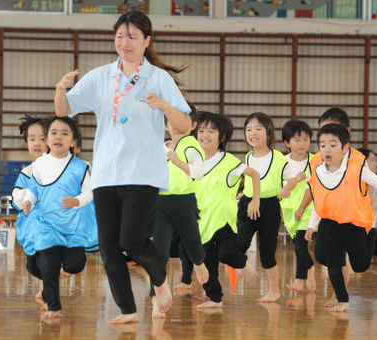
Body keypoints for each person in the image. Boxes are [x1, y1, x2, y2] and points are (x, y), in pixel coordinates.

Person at [54, 11, 191, 324]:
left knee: (132, 241)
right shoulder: (101, 76)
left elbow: (184, 124)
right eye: (120, 35)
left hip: (142, 173)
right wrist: (60, 89)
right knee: (109, 247)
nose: (124, 42)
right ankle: (128, 310)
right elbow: (65, 110)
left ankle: (160, 283)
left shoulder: (158, 78)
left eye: (132, 36)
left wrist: (165, 106)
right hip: (106, 173)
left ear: (146, 41)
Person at [304, 124, 377, 312]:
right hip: (330, 223)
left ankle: (372, 233)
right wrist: (311, 226)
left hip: (354, 225)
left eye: (333, 145)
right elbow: (320, 202)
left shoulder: (357, 169)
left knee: (360, 266)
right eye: (323, 145)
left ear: (345, 148)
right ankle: (343, 300)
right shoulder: (318, 171)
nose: (327, 149)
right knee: (333, 264)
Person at [19, 116, 99, 321]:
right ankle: (53, 305)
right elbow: (33, 190)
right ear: (47, 140)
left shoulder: (82, 167)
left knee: (74, 265)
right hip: (47, 227)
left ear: (73, 141)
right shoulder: (39, 165)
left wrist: (77, 201)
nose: (58, 137)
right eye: (53, 133)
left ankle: (57, 273)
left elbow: (89, 192)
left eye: (65, 133)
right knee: (47, 265)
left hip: (73, 228)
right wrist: (28, 201)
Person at [189, 111, 260, 309]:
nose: (205, 135)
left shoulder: (229, 162)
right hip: (200, 223)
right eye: (201, 130)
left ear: (222, 137)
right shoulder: (191, 160)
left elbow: (254, 175)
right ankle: (215, 299)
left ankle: (243, 263)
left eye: (211, 131)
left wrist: (253, 198)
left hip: (224, 221)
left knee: (226, 254)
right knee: (207, 264)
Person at [150, 108, 209, 318]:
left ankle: (199, 262)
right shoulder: (159, 147)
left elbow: (198, 172)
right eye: (171, 121)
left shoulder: (191, 145)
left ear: (192, 125)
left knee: (192, 242)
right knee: (160, 253)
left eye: (182, 120)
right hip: (160, 203)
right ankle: (157, 298)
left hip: (184, 201)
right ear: (166, 125)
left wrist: (177, 161)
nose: (175, 125)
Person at [237, 112, 287, 302]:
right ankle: (243, 265)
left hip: (270, 207)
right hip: (249, 204)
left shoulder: (280, 158)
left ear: (268, 132)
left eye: (258, 128)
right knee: (239, 244)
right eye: (248, 129)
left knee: (268, 252)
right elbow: (248, 181)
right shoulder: (247, 157)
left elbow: (290, 179)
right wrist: (244, 194)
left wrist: (288, 190)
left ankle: (274, 290)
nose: (253, 133)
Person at [11, 115, 47, 304]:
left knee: (48, 258)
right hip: (31, 229)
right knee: (33, 266)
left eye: (42, 138)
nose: (37, 143)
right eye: (32, 139)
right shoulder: (27, 172)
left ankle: (47, 291)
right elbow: (16, 195)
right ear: (26, 143)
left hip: (52, 227)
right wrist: (26, 198)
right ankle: (47, 282)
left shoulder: (61, 168)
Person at [278, 120, 316, 292]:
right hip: (289, 210)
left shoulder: (315, 160)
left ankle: (300, 280)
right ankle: (310, 268)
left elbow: (313, 187)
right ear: (287, 143)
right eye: (297, 140)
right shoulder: (280, 161)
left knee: (301, 244)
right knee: (298, 245)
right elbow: (278, 187)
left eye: (306, 139)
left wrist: (302, 208)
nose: (302, 144)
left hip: (309, 208)